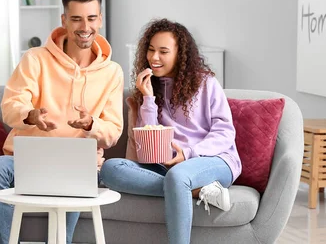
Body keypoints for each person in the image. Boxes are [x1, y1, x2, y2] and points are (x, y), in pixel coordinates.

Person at [0, 0, 123, 244]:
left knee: (82, 177)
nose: (85, 26)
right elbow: (11, 104)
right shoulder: (35, 59)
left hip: (79, 164)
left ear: (100, 19)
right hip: (25, 159)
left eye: (91, 18)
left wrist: (92, 123)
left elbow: (113, 132)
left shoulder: (112, 72)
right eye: (77, 18)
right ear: (64, 20)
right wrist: (31, 115)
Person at [99, 18, 241, 244]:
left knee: (179, 175)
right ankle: (196, 191)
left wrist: (188, 153)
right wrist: (147, 98)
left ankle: (184, 187)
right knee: (110, 169)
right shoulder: (151, 86)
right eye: (151, 50)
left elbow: (224, 133)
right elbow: (149, 137)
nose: (154, 57)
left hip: (214, 159)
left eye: (163, 51)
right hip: (167, 167)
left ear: (180, 54)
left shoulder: (206, 83)